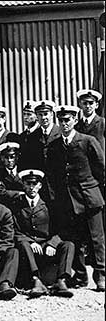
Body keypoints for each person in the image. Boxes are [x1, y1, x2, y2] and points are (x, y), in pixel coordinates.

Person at [46, 105, 105, 292]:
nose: (64, 124)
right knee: (76, 239)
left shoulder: (87, 141)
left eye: (68, 120)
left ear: (74, 120)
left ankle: (101, 275)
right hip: (68, 201)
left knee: (96, 238)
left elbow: (101, 168)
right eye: (61, 120)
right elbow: (53, 174)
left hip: (88, 197)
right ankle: (80, 276)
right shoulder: (55, 145)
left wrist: (94, 189)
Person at [12, 169, 74, 298]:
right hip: (29, 248)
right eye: (28, 184)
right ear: (23, 185)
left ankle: (61, 281)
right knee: (23, 244)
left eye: (35, 184)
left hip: (46, 245)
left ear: (40, 186)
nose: (31, 187)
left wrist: (52, 244)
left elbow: (61, 230)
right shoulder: (17, 206)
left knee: (68, 245)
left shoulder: (50, 206)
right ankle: (36, 280)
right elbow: (15, 231)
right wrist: (30, 241)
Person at [19, 100, 60, 172]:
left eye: (45, 114)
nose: (43, 117)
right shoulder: (32, 137)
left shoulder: (61, 133)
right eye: (40, 115)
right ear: (37, 116)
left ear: (52, 114)